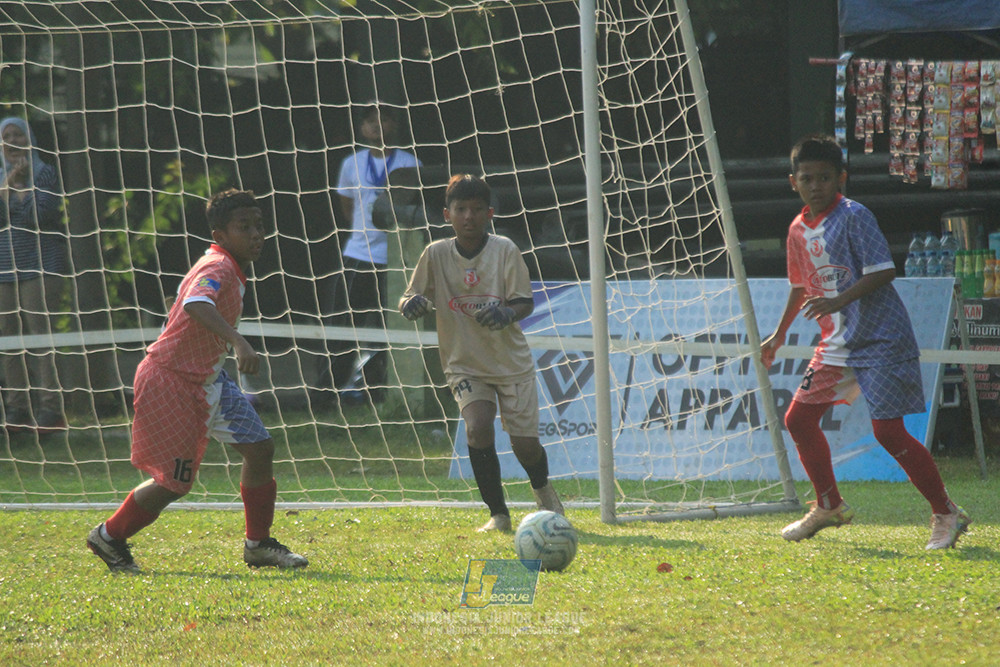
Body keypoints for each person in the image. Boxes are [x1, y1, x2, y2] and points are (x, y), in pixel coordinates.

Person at [761, 134, 970, 550]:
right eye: (807, 178)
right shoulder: (797, 230)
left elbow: (883, 271)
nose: (816, 185)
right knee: (798, 420)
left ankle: (947, 513)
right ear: (793, 182)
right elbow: (800, 286)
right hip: (836, 345)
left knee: (889, 432)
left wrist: (838, 299)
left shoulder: (855, 216)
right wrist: (780, 332)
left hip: (880, 339)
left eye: (825, 177)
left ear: (841, 178)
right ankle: (829, 505)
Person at [87, 189, 308, 572]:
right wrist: (238, 341)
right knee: (174, 484)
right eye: (245, 227)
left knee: (259, 449)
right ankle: (109, 536)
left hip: (210, 380)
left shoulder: (228, 265)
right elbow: (196, 303)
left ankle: (258, 544)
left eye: (259, 225)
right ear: (219, 235)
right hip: (171, 382)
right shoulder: (218, 267)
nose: (257, 234)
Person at [398, 174, 563, 533]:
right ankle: (498, 513)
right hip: (464, 363)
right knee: (477, 429)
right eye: (460, 209)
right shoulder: (435, 253)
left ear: (489, 214)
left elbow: (523, 301)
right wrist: (411, 303)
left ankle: (543, 491)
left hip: (510, 363)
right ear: (447, 214)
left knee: (525, 445)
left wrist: (506, 312)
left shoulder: (504, 249)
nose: (468, 217)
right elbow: (408, 295)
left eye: (476, 210)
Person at [317, 103, 421, 405]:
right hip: (357, 256)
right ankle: (326, 396)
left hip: (395, 261)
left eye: (384, 119)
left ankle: (378, 396)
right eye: (370, 121)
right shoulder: (351, 163)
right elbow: (347, 207)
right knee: (341, 327)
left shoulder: (410, 162)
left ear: (394, 125)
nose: (377, 126)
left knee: (386, 330)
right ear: (362, 128)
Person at [0, 117, 68, 433]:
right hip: (4, 268)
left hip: (40, 266)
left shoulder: (45, 173)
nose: (13, 141)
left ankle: (50, 410)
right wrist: (7, 186)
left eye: (18, 135)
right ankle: (17, 409)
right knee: (9, 341)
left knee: (40, 339)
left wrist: (23, 188)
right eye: (7, 136)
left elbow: (41, 216)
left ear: (30, 139)